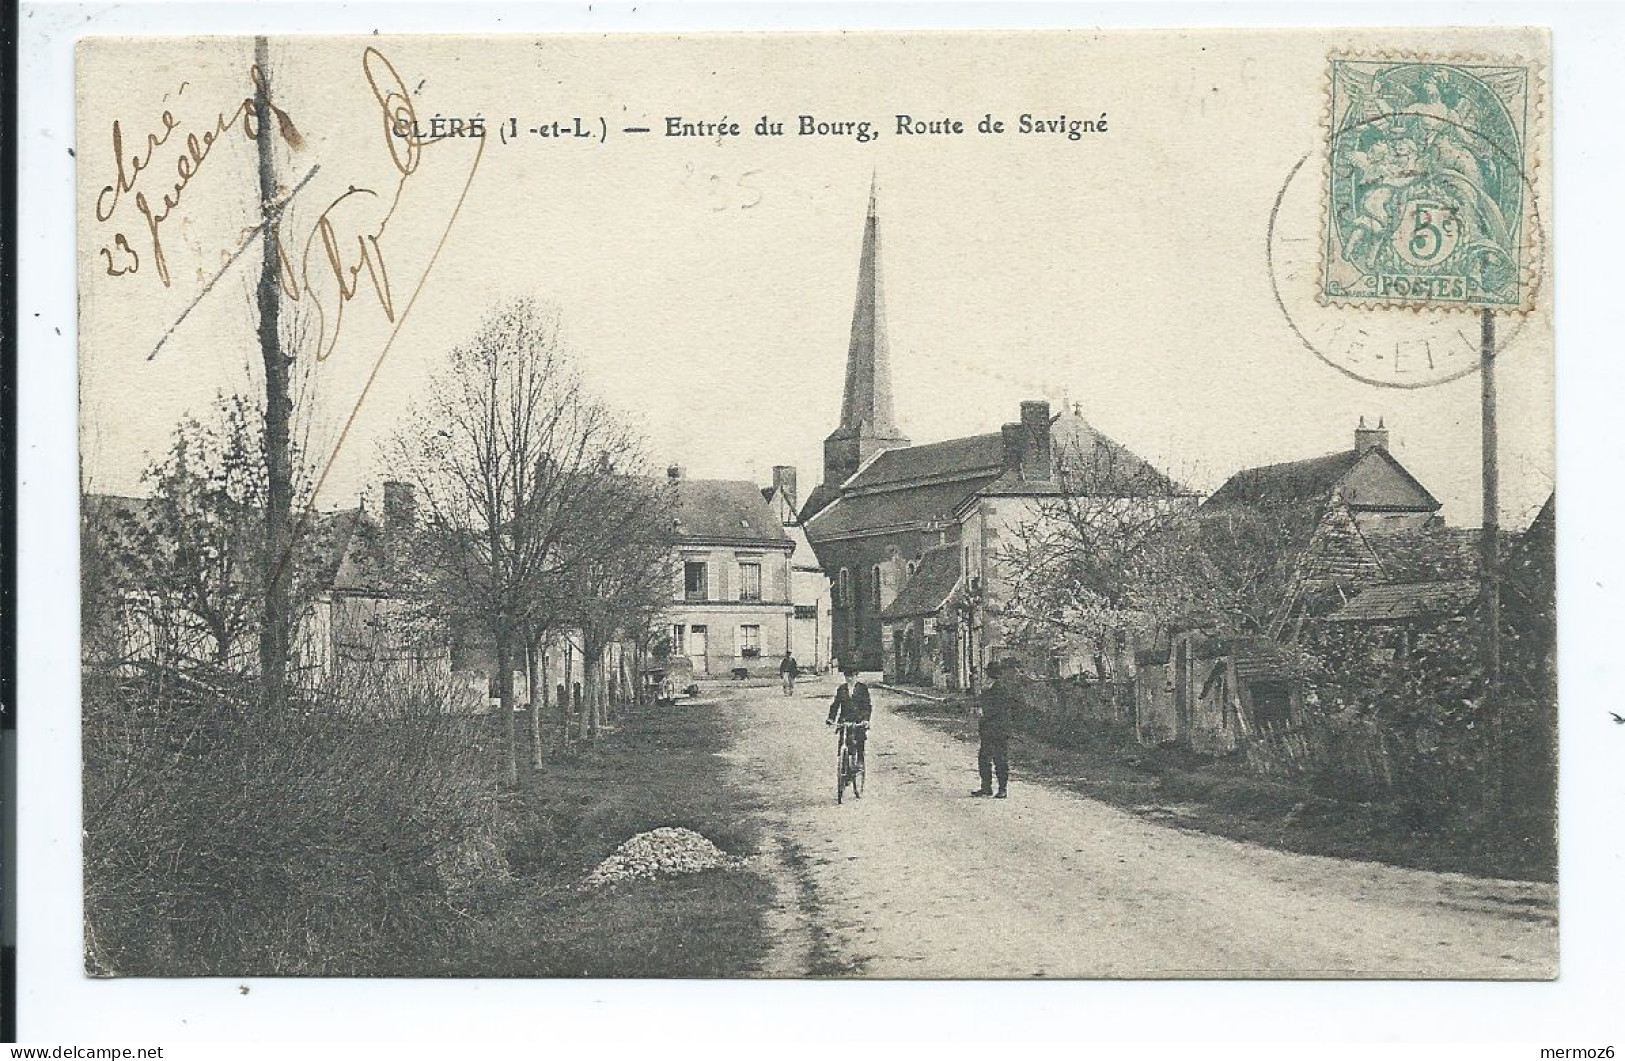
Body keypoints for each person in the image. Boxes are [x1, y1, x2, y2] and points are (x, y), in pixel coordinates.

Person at [972, 659, 1016, 798]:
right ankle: (986, 787)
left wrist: (983, 712)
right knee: (984, 758)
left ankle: (1002, 789)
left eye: (987, 673)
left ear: (990, 674)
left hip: (998, 730)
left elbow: (998, 709)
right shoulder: (988, 688)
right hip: (988, 729)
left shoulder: (1000, 689)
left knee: (1000, 759)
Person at [826, 664, 872, 766]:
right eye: (847, 676)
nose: (849, 678)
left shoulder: (862, 688)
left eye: (852, 676)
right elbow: (836, 705)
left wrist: (866, 719)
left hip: (858, 719)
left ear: (856, 676)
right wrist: (831, 718)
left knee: (859, 739)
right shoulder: (841, 688)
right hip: (845, 719)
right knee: (843, 739)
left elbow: (867, 706)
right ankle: (843, 765)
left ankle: (860, 760)